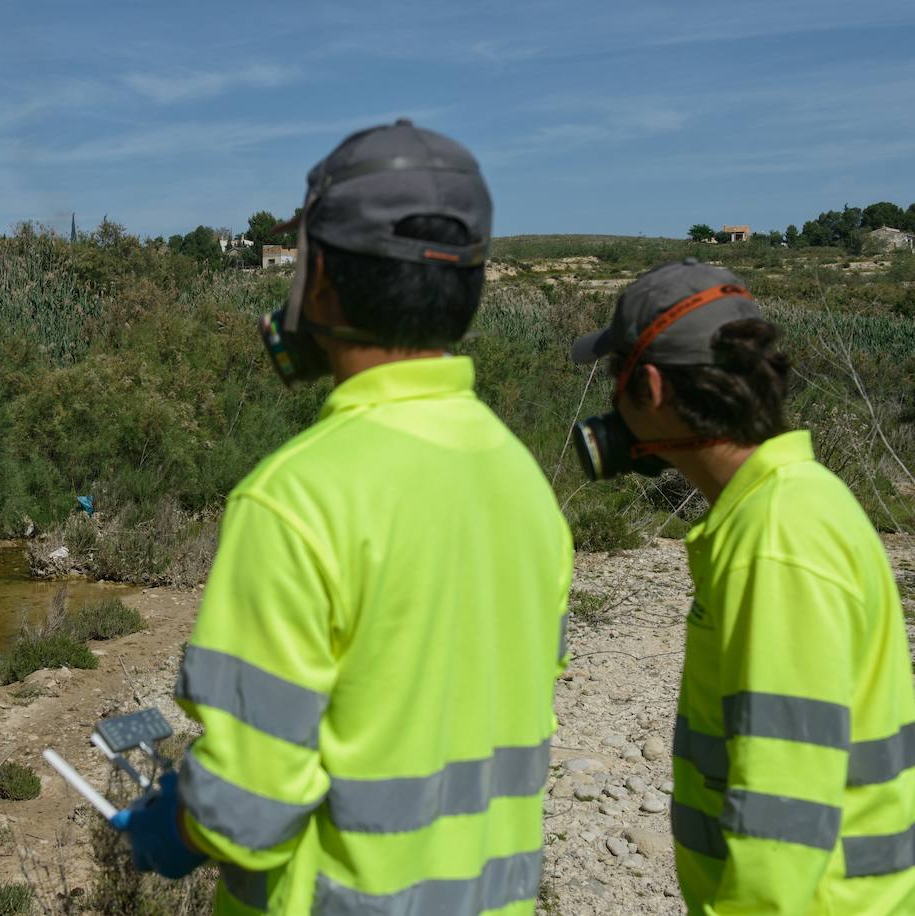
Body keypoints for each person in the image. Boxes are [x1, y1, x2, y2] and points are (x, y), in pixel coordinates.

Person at [112, 119, 574, 914]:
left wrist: (176, 825)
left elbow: (249, 806)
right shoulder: (523, 481)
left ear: (320, 277)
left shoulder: (294, 498)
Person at [569, 259, 915, 913]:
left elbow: (781, 820)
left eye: (616, 376)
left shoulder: (777, 540)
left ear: (648, 385)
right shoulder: (790, 505)